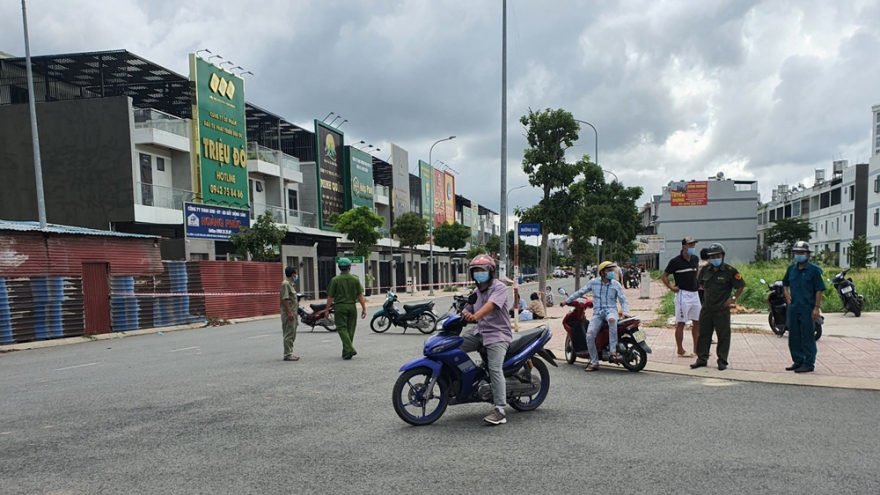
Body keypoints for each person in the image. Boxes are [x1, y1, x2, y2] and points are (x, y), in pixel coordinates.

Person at [461, 254, 512, 425]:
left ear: (490, 272)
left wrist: (474, 316)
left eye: (482, 270)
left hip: (498, 334)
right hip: (479, 332)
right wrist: (465, 314)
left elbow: (490, 306)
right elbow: (466, 307)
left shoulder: (500, 288)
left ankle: (500, 410)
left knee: (495, 369)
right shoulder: (476, 291)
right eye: (475, 270)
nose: (478, 273)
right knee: (453, 348)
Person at [562, 261, 630, 372]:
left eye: (612, 271)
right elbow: (580, 292)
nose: (612, 273)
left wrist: (625, 311)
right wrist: (567, 301)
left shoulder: (616, 284)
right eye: (609, 271)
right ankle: (594, 362)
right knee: (589, 336)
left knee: (612, 320)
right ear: (602, 272)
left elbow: (623, 300)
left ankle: (613, 351)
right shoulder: (593, 282)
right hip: (597, 313)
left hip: (611, 311)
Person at [691, 243, 745, 371]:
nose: (715, 258)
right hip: (707, 308)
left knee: (723, 335)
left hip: (721, 309)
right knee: (703, 335)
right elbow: (701, 284)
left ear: (722, 256)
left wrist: (733, 299)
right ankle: (701, 359)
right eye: (713, 256)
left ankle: (722, 360)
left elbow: (740, 285)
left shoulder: (729, 271)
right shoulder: (705, 269)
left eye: (717, 255)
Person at [782, 241, 825, 373]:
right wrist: (786, 293)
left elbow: (819, 290)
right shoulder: (791, 269)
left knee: (807, 337)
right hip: (794, 308)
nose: (799, 255)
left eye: (801, 253)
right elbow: (785, 283)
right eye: (796, 253)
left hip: (807, 308)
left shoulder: (814, 270)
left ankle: (808, 363)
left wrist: (816, 308)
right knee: (794, 336)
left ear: (807, 254)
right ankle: (798, 360)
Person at [662, 237, 701, 357]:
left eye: (693, 245)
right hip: (682, 294)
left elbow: (696, 273)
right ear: (684, 246)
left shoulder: (695, 258)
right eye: (690, 245)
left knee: (697, 322)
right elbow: (664, 276)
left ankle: (697, 349)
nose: (692, 247)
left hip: (695, 294)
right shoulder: (675, 261)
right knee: (681, 323)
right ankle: (680, 349)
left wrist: (698, 283)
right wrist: (671, 287)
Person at [324, 258, 367, 360]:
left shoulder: (335, 280)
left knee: (341, 328)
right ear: (349, 268)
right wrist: (364, 308)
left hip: (340, 306)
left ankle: (349, 349)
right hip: (352, 306)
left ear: (339, 268)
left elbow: (330, 297)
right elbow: (360, 295)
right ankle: (346, 351)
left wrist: (326, 310)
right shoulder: (355, 279)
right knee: (350, 329)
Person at [280, 266, 300, 361]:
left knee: (292, 333)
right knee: (289, 333)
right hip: (289, 313)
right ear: (293, 275)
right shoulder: (286, 284)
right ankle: (287, 354)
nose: (296, 276)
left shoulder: (291, 284)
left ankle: (290, 352)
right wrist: (289, 312)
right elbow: (285, 299)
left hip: (293, 312)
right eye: (296, 274)